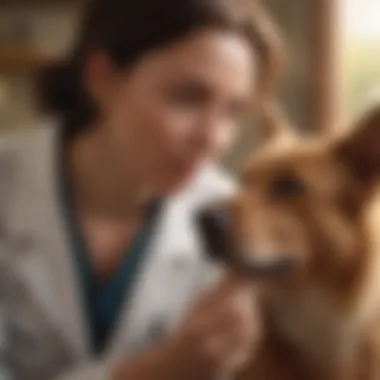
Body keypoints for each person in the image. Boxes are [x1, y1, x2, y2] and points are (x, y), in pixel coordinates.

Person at [0, 0, 282, 379]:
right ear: (103, 78)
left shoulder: (225, 213)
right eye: (188, 97)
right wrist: (157, 369)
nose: (212, 139)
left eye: (233, 111)